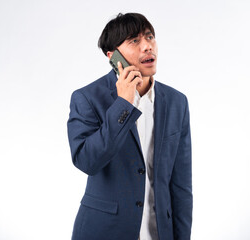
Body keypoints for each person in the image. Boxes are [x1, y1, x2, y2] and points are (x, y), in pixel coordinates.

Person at [67, 12, 192, 240]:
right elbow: (86, 161)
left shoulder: (177, 102)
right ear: (113, 56)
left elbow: (181, 186)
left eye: (150, 37)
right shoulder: (86, 98)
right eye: (134, 40)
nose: (147, 46)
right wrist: (123, 104)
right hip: (104, 232)